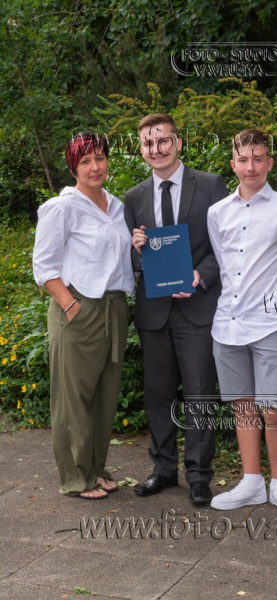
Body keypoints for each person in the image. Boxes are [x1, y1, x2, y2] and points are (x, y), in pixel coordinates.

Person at [124, 113, 228, 504]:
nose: (157, 149)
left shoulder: (211, 184)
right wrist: (136, 251)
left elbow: (226, 247)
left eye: (163, 140)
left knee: (201, 393)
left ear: (178, 142)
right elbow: (133, 263)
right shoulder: (133, 197)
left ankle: (199, 475)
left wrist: (201, 275)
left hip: (198, 308)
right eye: (149, 143)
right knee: (158, 394)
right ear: (141, 149)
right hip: (154, 312)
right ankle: (163, 470)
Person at [207, 129, 277, 516]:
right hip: (228, 324)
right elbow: (224, 264)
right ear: (233, 164)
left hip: (270, 323)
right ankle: (251, 483)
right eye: (243, 160)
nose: (251, 167)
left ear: (269, 163)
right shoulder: (217, 213)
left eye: (258, 159)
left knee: (274, 408)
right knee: (243, 407)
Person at [33, 132, 134, 499]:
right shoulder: (62, 207)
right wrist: (70, 305)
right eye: (86, 161)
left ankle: (96, 468)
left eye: (100, 158)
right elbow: (44, 266)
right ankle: (76, 478)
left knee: (104, 396)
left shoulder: (118, 206)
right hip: (78, 309)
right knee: (73, 399)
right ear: (73, 167)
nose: (95, 167)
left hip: (114, 307)